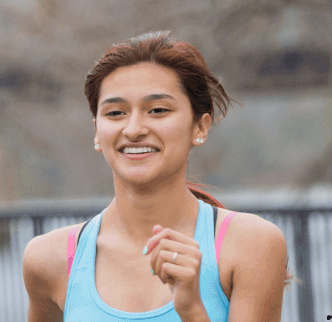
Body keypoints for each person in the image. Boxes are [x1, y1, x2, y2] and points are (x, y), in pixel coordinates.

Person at [22, 31, 288, 321]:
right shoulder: (47, 259)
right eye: (115, 113)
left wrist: (192, 311)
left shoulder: (252, 245)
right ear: (97, 131)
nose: (134, 129)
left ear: (200, 127)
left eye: (158, 110)